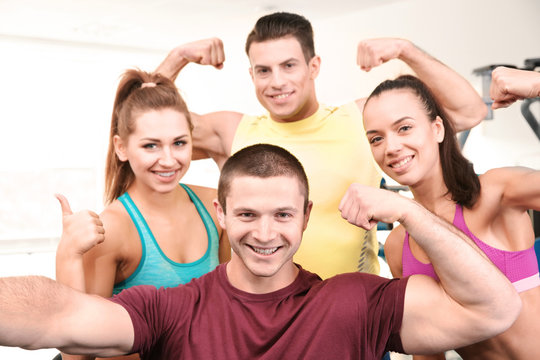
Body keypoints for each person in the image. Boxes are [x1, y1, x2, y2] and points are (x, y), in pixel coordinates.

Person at [0, 144, 521, 359]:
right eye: (247, 215)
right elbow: (58, 314)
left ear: (305, 215)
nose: (265, 233)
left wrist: (410, 213)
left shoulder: (356, 302)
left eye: (282, 215)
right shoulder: (173, 308)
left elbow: (493, 308)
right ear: (221, 216)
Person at [153, 12, 488, 278]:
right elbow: (143, 128)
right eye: (264, 71)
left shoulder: (361, 118)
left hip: (353, 318)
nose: (277, 82)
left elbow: (468, 110)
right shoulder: (231, 130)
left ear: (313, 67)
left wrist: (406, 50)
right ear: (252, 76)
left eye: (288, 66)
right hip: (261, 320)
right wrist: (177, 57)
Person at [356, 74, 540, 359]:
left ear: (438, 129)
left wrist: (536, 84)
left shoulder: (497, 193)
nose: (390, 147)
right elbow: (428, 349)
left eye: (404, 128)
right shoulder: (397, 245)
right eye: (376, 138)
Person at [54, 69, 230, 360]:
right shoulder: (112, 229)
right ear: (121, 148)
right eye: (151, 145)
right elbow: (79, 356)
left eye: (179, 143)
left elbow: (227, 306)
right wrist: (67, 255)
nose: (169, 159)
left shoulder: (214, 204)